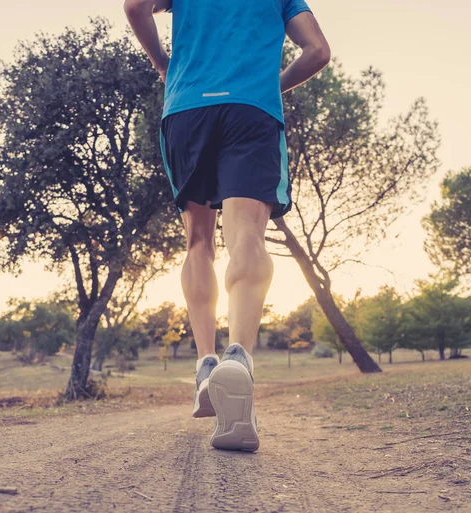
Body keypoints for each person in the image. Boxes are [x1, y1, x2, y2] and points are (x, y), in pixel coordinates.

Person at [124, 0, 330, 452]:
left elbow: (136, 5)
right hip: (251, 109)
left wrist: (165, 64)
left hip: (186, 108)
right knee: (247, 236)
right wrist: (269, 86)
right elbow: (317, 51)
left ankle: (205, 363)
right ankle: (238, 356)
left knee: (198, 241)